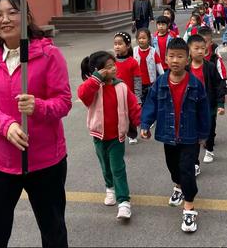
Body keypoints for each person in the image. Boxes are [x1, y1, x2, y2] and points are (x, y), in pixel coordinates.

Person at [0, 0, 72, 248]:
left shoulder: (49, 55)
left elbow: (63, 102)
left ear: (26, 16)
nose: (4, 19)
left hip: (45, 162)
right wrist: (6, 126)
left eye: (12, 12)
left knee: (53, 233)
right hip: (0, 162)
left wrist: (38, 106)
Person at [140, 38, 211, 233]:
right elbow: (151, 104)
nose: (175, 60)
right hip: (167, 134)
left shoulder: (195, 85)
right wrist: (145, 123)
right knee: (172, 166)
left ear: (187, 60)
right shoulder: (161, 83)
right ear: (165, 58)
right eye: (171, 56)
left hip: (190, 136)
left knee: (187, 168)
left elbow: (203, 111)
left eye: (180, 56)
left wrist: (204, 135)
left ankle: (189, 206)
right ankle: (178, 186)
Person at [78, 51, 141, 221]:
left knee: (117, 168)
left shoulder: (121, 86)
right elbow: (82, 95)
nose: (114, 69)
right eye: (108, 67)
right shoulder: (93, 87)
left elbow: (134, 106)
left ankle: (124, 202)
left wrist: (142, 123)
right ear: (98, 71)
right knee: (105, 166)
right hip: (99, 135)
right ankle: (110, 188)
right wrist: (96, 78)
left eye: (114, 65)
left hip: (117, 136)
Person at [187, 34, 224, 171]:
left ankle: (209, 149)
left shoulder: (210, 67)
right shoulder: (186, 69)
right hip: (191, 108)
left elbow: (219, 85)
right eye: (196, 48)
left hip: (209, 106)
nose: (200, 51)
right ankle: (195, 163)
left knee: (209, 130)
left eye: (203, 48)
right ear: (189, 50)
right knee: (194, 135)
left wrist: (220, 104)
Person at [113, 32, 142, 144]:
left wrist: (137, 97)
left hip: (129, 95)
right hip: (114, 95)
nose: (117, 46)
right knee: (116, 116)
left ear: (128, 45)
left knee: (130, 116)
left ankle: (132, 134)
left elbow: (137, 80)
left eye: (120, 44)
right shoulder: (111, 62)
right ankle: (117, 135)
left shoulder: (133, 62)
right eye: (115, 44)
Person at [133, 29, 164, 105]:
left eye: (144, 38)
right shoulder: (134, 50)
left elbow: (159, 66)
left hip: (151, 82)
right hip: (138, 84)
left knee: (151, 100)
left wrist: (164, 77)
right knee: (140, 101)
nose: (141, 40)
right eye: (139, 38)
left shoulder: (153, 51)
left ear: (149, 39)